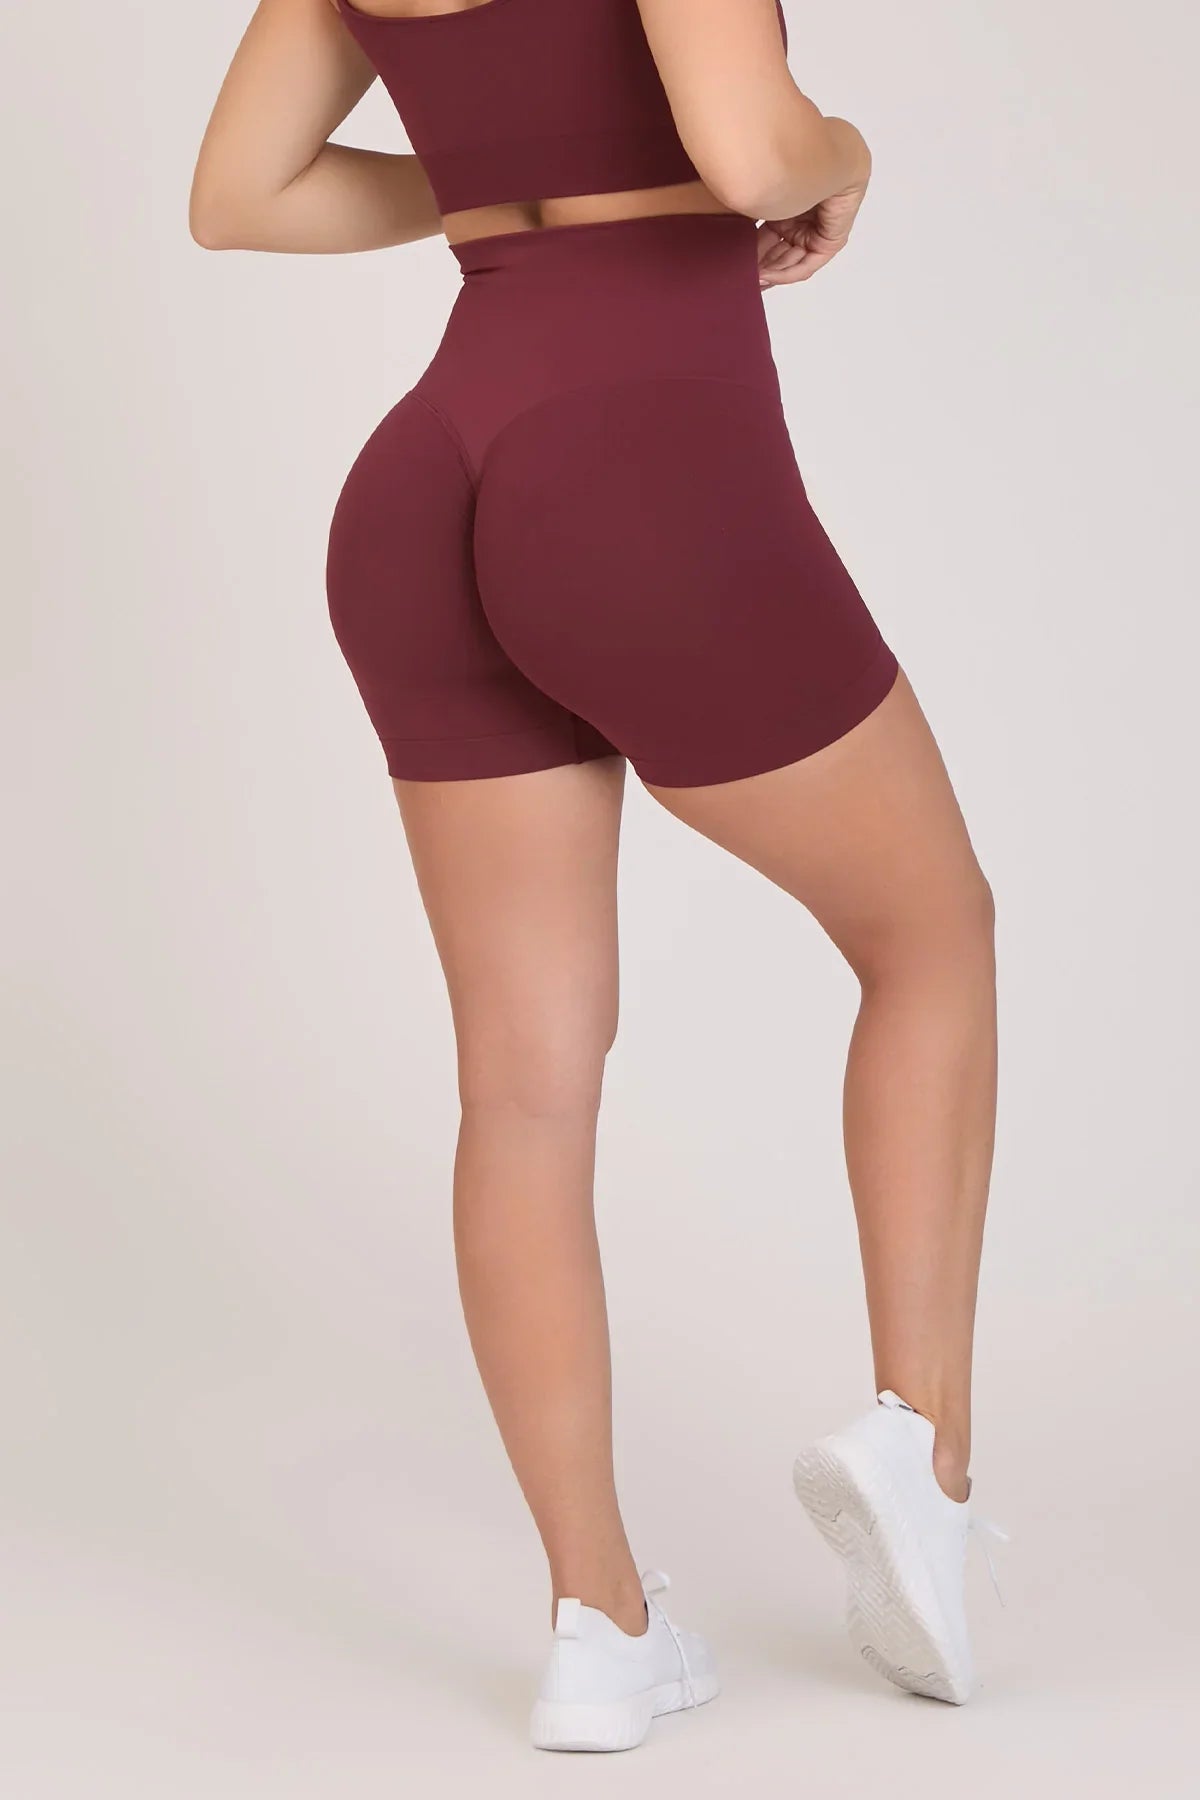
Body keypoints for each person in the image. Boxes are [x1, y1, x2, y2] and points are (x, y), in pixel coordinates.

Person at [191, 0, 998, 1751]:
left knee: (523, 1084)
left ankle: (597, 1625)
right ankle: (920, 1453)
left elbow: (239, 195)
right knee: (932, 935)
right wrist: (849, 158)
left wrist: (506, 174)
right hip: (636, 463)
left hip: (427, 480)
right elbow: (754, 151)